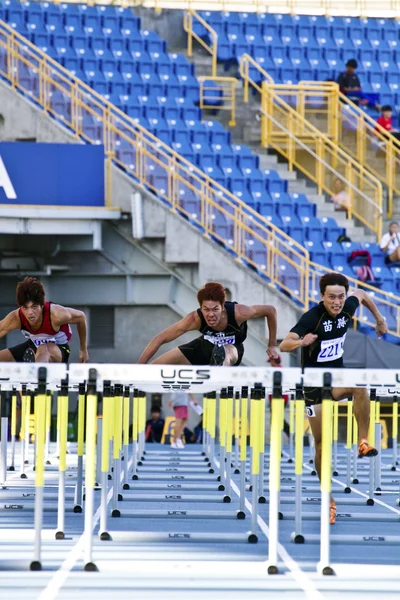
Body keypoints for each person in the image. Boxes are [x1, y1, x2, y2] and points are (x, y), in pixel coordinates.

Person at [279, 272, 387, 525]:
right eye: (331, 298)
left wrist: (380, 319)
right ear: (322, 297)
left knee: (360, 387)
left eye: (340, 297)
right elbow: (285, 344)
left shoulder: (348, 306)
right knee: (320, 445)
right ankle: (329, 499)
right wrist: (301, 342)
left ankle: (363, 441)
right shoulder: (312, 318)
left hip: (337, 378)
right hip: (313, 386)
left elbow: (361, 295)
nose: (337, 302)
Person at [138, 281, 279, 366]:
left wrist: (272, 344)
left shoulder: (239, 312)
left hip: (233, 348)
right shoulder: (194, 318)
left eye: (215, 309)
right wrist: (137, 368)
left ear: (222, 307)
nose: (210, 314)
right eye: (206, 309)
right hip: (204, 346)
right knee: (154, 367)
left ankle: (219, 370)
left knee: (226, 351)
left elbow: (270, 311)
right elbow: (160, 339)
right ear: (200, 307)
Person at [0, 276, 89, 363]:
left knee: (43, 348)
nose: (30, 312)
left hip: (58, 349)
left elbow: (81, 317)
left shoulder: (56, 314)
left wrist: (83, 349)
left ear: (42, 305)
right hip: (33, 347)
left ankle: (36, 371)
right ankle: (33, 361)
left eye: (34, 307)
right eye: (25, 308)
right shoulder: (16, 317)